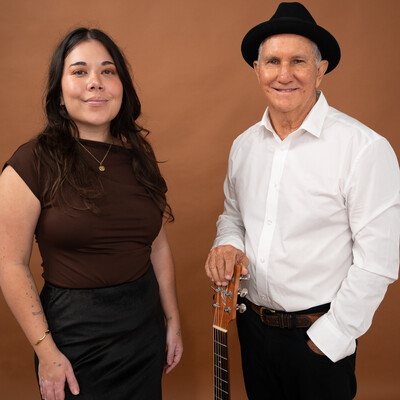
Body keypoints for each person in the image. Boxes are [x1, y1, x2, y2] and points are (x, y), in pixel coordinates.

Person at [204, 2, 399, 399]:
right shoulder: (243, 146)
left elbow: (379, 260)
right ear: (257, 69)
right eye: (272, 62)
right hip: (252, 329)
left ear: (320, 69)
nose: (284, 74)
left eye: (298, 61)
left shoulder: (363, 148)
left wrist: (333, 335)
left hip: (318, 338)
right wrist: (227, 243)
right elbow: (233, 216)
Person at [0, 27, 182, 400]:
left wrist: (173, 320)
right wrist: (46, 352)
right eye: (80, 71)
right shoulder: (31, 162)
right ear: (59, 92)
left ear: (122, 87)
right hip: (73, 342)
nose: (95, 82)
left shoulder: (139, 159)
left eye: (107, 71)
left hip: (144, 334)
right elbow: (9, 264)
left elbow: (157, 245)